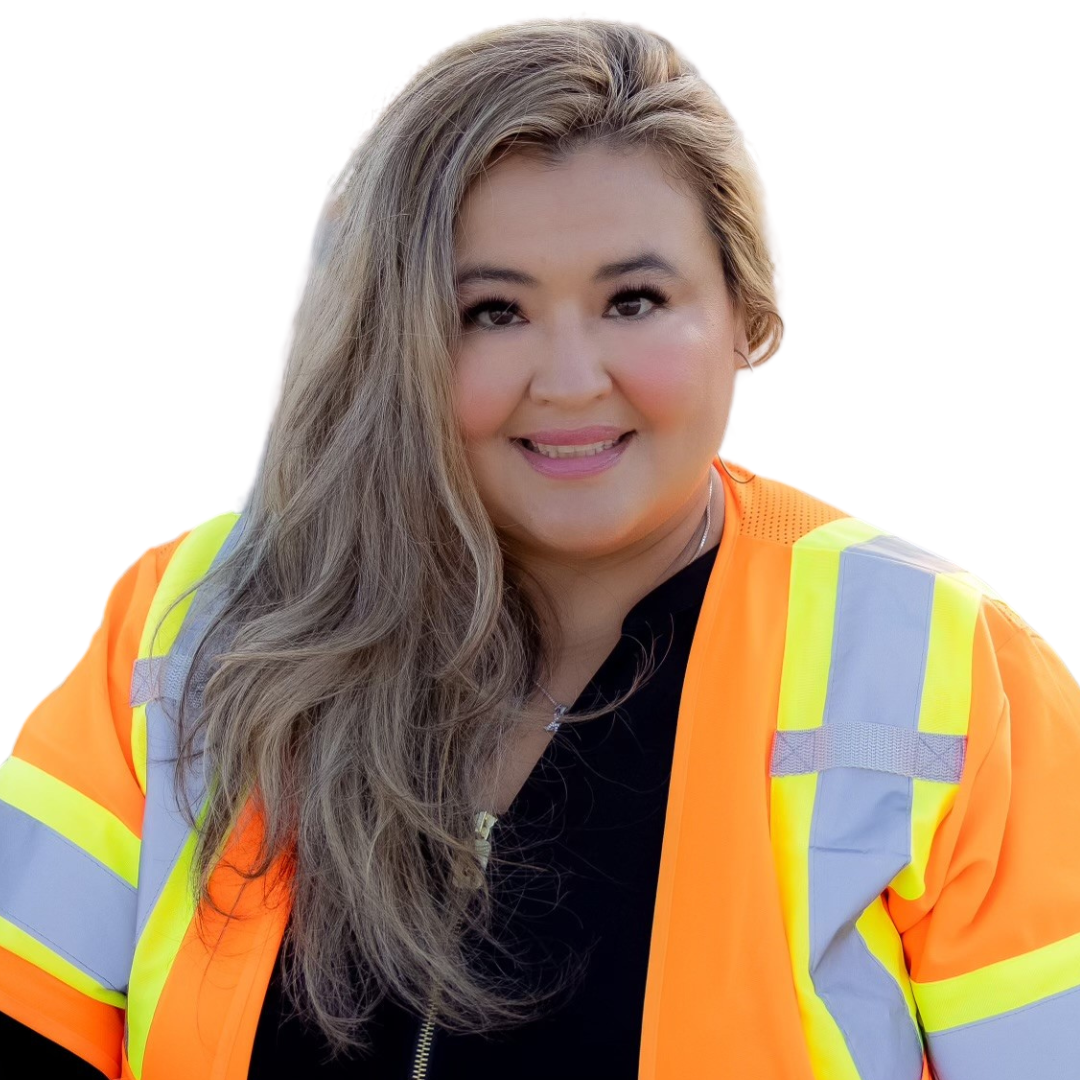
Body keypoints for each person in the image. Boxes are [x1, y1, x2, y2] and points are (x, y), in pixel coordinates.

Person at [2, 17, 1079, 1080]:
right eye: (492, 312)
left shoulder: (940, 669)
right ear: (401, 334)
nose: (569, 379)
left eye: (635, 300)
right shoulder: (191, 623)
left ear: (746, 313)